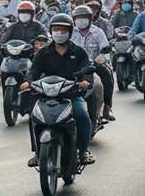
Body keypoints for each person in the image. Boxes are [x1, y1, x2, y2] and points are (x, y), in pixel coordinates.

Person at [23, 14, 94, 167]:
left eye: (63, 30)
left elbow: (87, 71)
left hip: (71, 95)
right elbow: (33, 71)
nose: (59, 33)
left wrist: (85, 82)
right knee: (33, 118)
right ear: (51, 31)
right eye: (56, 29)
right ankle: (37, 153)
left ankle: (83, 151)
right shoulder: (43, 52)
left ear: (69, 32)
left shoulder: (79, 52)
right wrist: (28, 82)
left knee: (82, 115)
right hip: (47, 96)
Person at [70, 5, 114, 121]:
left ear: (90, 18)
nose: (81, 20)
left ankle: (106, 107)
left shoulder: (98, 32)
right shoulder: (71, 33)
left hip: (93, 65)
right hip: (73, 66)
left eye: (84, 17)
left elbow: (105, 48)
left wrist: (101, 57)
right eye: (78, 18)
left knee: (106, 74)